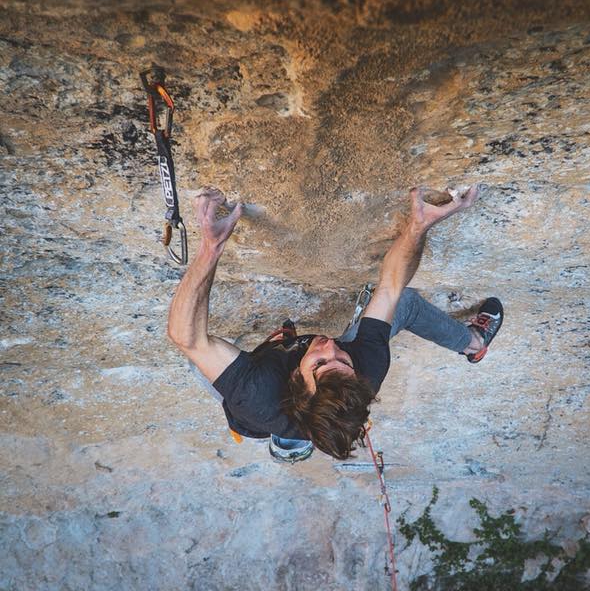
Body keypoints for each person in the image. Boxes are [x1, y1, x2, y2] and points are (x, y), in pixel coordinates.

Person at [167, 185, 504, 461]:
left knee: (197, 361)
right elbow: (390, 289)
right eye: (342, 359)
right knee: (405, 303)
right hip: (302, 399)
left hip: (254, 412)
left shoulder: (256, 396)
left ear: (297, 379)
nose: (330, 345)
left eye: (321, 363)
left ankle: (290, 441)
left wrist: (210, 247)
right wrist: (419, 225)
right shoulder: (367, 367)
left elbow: (186, 337)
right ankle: (473, 343)